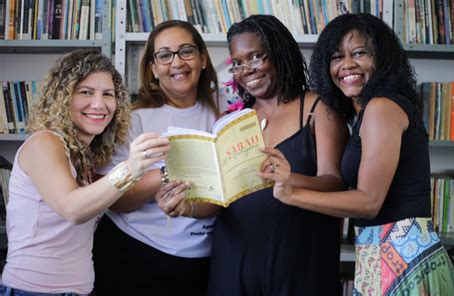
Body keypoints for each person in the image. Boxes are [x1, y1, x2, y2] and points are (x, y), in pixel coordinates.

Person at [260, 13, 454, 295]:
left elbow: (369, 202)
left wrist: (292, 194)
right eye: (337, 56)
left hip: (404, 257)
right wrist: (287, 177)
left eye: (360, 53)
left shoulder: (380, 108)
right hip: (382, 253)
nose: (347, 65)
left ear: (382, 59)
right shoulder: (365, 113)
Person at [157, 15, 349, 295]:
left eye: (257, 57)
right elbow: (220, 199)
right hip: (234, 260)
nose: (247, 69)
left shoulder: (318, 110)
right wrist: (184, 207)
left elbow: (335, 182)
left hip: (298, 259)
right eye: (238, 62)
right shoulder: (229, 121)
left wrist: (288, 178)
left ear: (279, 53)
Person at [0, 49, 169, 295]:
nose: (99, 104)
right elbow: (73, 209)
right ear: (63, 98)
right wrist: (131, 168)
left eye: (108, 94)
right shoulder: (44, 143)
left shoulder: (86, 154)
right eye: (86, 92)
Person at [92, 20, 220, 295]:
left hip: (204, 261)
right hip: (134, 253)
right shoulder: (132, 120)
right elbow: (116, 201)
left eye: (186, 51)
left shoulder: (226, 114)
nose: (177, 62)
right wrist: (166, 174)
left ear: (203, 58)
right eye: (165, 55)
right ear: (153, 67)